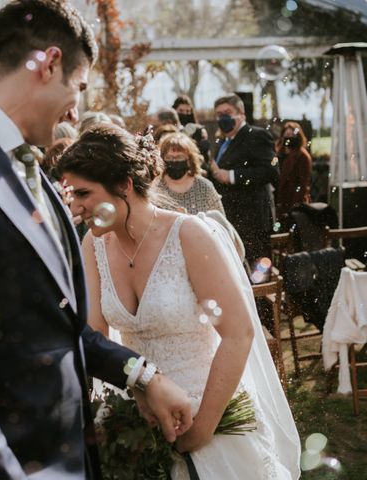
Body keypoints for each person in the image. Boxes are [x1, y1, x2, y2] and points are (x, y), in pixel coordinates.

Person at [0, 1, 192, 478]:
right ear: (49, 64)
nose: (77, 107)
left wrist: (141, 376)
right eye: (79, 86)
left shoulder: (36, 176)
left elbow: (58, 326)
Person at [59, 123, 301, 479]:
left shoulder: (188, 235)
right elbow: (97, 335)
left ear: (124, 185)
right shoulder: (93, 245)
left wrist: (202, 428)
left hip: (211, 417)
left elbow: (238, 334)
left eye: (83, 193)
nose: (75, 207)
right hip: (137, 421)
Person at [209, 93, 279, 269]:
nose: (223, 117)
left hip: (253, 219)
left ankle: (262, 297)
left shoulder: (257, 135)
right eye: (219, 114)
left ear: (241, 114)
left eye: (227, 112)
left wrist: (231, 176)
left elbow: (271, 171)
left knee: (258, 272)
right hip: (230, 218)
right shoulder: (223, 142)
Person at [153, 132, 225, 216]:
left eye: (179, 157)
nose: (174, 161)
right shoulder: (156, 188)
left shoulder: (204, 187)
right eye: (169, 157)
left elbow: (220, 222)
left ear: (189, 160)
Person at [275, 121, 312, 220]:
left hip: (294, 203)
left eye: (292, 135)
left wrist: (295, 206)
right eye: (287, 134)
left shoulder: (302, 156)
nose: (289, 137)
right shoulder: (278, 155)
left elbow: (303, 184)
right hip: (280, 203)